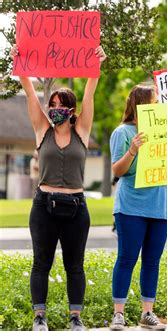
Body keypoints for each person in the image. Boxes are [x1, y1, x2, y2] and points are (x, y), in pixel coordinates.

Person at [10, 44, 106, 331]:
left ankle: (75, 317)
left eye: (60, 105)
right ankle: (39, 316)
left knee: (75, 265)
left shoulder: (82, 132)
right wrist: (20, 63)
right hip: (44, 207)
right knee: (42, 263)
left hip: (77, 207)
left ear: (71, 109)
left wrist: (96, 65)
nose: (55, 110)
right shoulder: (42, 131)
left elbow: (90, 92)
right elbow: (28, 91)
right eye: (51, 105)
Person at [109, 85, 167, 330]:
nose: (158, 106)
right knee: (126, 258)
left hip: (161, 207)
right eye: (155, 101)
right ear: (140, 104)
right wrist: (132, 150)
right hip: (131, 208)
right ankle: (119, 313)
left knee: (152, 261)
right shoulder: (123, 132)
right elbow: (117, 170)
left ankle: (148, 313)